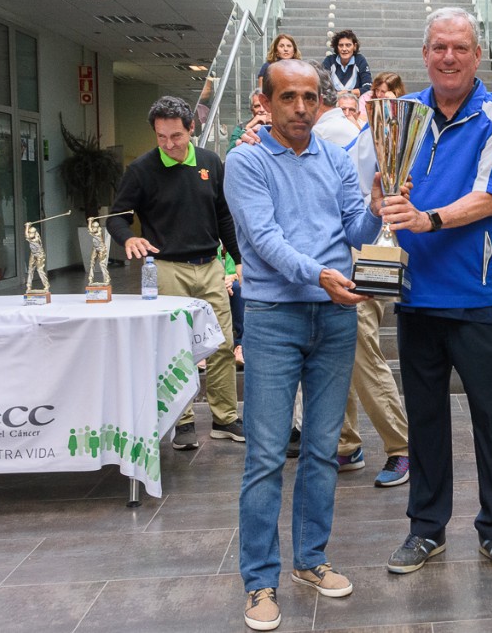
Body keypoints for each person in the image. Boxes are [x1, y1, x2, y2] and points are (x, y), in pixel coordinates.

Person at [225, 59, 387, 631]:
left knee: (322, 451)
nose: (300, 107)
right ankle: (260, 581)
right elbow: (263, 239)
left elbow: (357, 233)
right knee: (266, 456)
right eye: (288, 96)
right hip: (273, 318)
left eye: (310, 97)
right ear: (264, 102)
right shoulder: (245, 161)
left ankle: (311, 561)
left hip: (335, 320)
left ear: (322, 103)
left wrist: (375, 203)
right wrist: (319, 275)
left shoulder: (337, 158)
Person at [375, 7, 492, 578]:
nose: (448, 57)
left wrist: (426, 219)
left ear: (477, 55)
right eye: (439, 46)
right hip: (414, 293)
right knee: (425, 419)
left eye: (459, 47)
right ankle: (425, 529)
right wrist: (384, 203)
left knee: (490, 417)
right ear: (424, 54)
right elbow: (379, 190)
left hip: (478, 291)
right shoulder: (400, 115)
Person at [107, 96, 243, 450]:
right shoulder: (141, 169)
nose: (169, 144)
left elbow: (224, 215)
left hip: (210, 267)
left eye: (176, 136)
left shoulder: (212, 163)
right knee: (174, 349)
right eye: (162, 137)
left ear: (191, 129)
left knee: (223, 345)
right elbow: (117, 217)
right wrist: (129, 237)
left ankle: (225, 418)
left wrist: (239, 259)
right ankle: (182, 422)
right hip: (166, 269)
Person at [310, 65, 410, 488]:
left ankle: (403, 446)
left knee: (361, 352)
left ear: (317, 97)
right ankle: (346, 445)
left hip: (354, 255)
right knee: (340, 353)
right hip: (335, 260)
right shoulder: (342, 128)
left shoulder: (326, 134)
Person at [322, 29, 372, 96]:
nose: (344, 49)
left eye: (348, 45)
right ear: (337, 47)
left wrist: (346, 93)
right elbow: (322, 86)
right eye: (341, 45)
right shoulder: (329, 61)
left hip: (355, 103)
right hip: (333, 103)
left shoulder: (360, 60)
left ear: (354, 46)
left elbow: (368, 87)